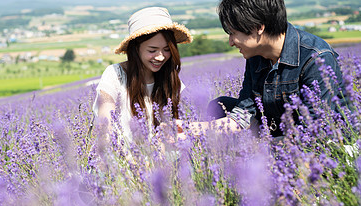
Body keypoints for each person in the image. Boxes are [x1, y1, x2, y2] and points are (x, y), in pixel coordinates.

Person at [202, 0, 348, 137]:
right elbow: (244, 113)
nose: (231, 42)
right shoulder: (256, 54)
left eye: (233, 33)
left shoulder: (316, 58)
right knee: (220, 105)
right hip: (277, 130)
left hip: (319, 141)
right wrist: (192, 129)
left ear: (259, 27)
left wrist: (263, 147)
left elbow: (314, 129)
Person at [93, 6, 192, 142]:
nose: (160, 57)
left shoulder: (170, 78)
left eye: (167, 49)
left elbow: (182, 124)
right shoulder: (115, 75)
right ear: (135, 49)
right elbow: (105, 122)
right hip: (121, 159)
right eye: (152, 50)